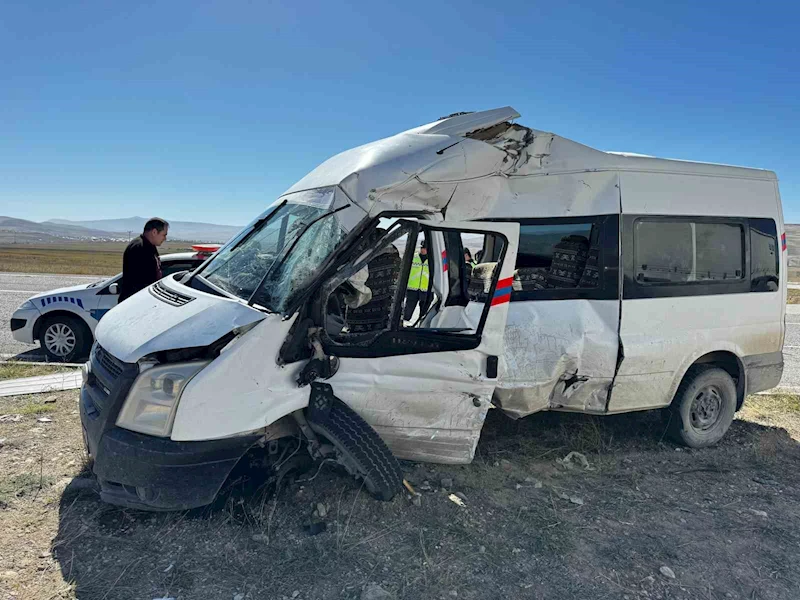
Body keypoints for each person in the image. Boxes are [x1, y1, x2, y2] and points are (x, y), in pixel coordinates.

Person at [119, 218, 169, 302]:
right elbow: (140, 281)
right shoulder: (139, 248)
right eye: (164, 235)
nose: (165, 238)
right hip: (135, 301)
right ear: (154, 232)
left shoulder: (149, 246)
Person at [403, 239, 430, 322]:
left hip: (426, 290)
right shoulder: (413, 258)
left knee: (424, 315)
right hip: (412, 290)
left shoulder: (433, 261)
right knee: (407, 313)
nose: (423, 250)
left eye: (425, 248)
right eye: (422, 247)